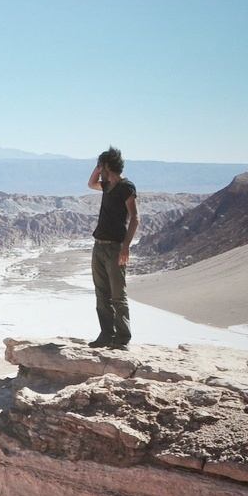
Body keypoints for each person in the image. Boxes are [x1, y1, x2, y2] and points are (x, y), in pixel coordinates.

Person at [87, 147, 137, 348]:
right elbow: (91, 184)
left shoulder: (127, 187)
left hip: (115, 247)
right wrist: (98, 168)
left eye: (102, 166)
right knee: (101, 293)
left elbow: (135, 217)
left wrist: (126, 246)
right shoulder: (107, 185)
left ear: (109, 166)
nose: (100, 170)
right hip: (99, 245)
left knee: (118, 295)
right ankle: (106, 334)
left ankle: (122, 339)